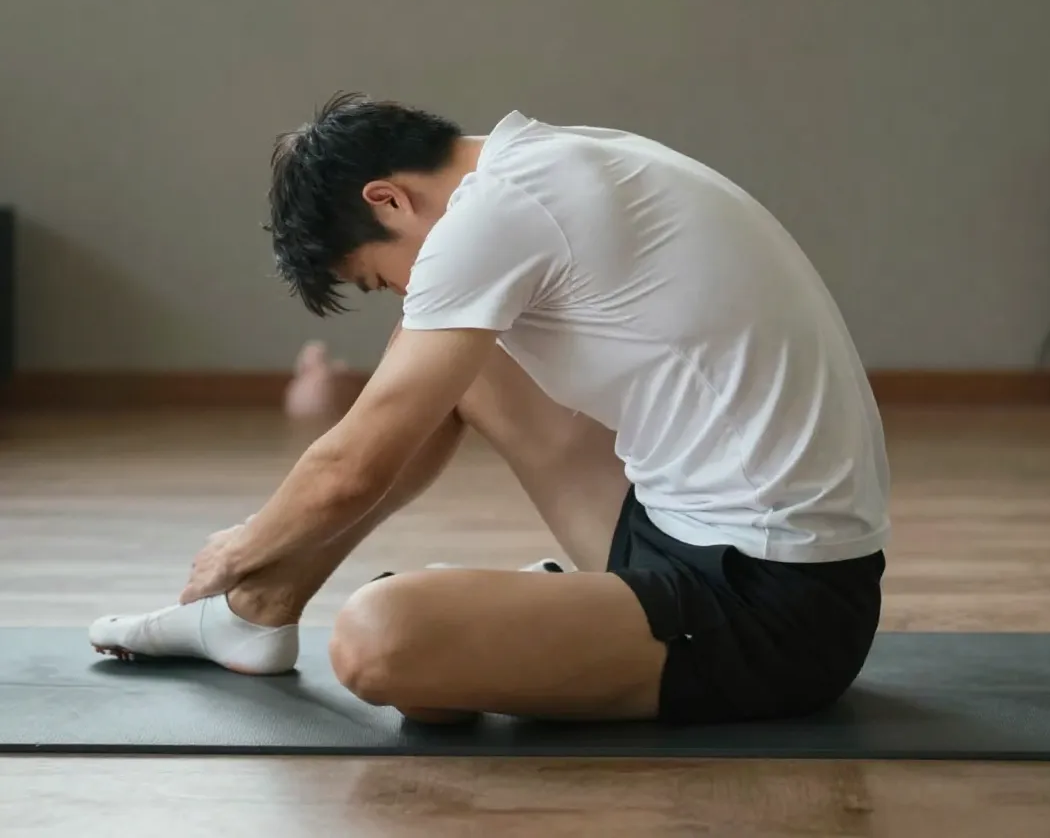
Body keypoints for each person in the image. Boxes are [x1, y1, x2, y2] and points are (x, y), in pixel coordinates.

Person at [89, 94, 890, 726]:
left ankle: (519, 622)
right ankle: (259, 615)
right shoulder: (552, 158)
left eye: (381, 275)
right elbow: (390, 423)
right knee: (440, 356)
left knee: (379, 643)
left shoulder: (500, 212)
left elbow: (352, 464)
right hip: (682, 535)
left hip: (775, 610)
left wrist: (236, 548)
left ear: (389, 200)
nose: (404, 288)